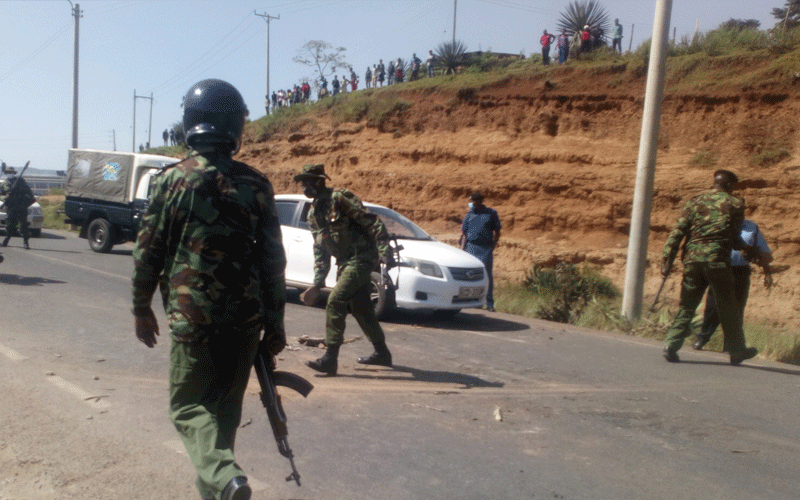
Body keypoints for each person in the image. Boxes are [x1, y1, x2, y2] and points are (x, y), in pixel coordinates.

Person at [132, 79, 287, 500]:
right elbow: (273, 263)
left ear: (190, 123)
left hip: (193, 319)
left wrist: (141, 307)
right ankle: (223, 484)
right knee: (220, 422)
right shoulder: (257, 186)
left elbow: (148, 252)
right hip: (243, 324)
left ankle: (226, 478)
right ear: (235, 125)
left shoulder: (171, 181)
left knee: (186, 408)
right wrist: (275, 326)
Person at [294, 163, 394, 376]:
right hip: (345, 263)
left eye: (308, 181)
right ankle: (382, 353)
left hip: (361, 258)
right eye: (302, 182)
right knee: (361, 309)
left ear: (320, 181)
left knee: (335, 301)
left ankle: (330, 359)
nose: (304, 186)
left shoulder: (340, 197)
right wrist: (317, 283)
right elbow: (320, 250)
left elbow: (372, 222)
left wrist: (385, 249)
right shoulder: (313, 214)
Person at [661, 169, 760, 365]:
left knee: (687, 305)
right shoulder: (735, 204)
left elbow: (677, 232)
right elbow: (732, 237)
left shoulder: (695, 201)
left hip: (692, 261)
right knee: (728, 307)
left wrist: (667, 260)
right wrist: (747, 249)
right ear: (730, 186)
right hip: (717, 261)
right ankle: (737, 351)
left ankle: (671, 345)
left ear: (715, 183)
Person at [692, 220, 773, 350]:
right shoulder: (720, 223)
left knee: (737, 308)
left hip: (741, 272)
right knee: (713, 306)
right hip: (720, 269)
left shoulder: (752, 228)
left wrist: (767, 273)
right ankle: (702, 338)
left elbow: (764, 252)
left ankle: (730, 346)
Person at [460, 193, 501, 312]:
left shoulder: (491, 213)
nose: (471, 203)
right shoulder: (470, 214)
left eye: (473, 201)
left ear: (479, 201)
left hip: (485, 248)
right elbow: (464, 234)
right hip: (470, 247)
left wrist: (492, 247)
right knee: (468, 275)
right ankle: (469, 301)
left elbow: (497, 232)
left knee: (487, 276)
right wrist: (463, 250)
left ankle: (489, 303)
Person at [1, 170, 36, 249]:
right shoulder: (4, 183)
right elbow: (1, 194)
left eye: (11, 172)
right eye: (8, 173)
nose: (10, 174)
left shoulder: (21, 181)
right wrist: (5, 197)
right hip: (11, 206)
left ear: (14, 173)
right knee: (9, 225)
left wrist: (29, 200)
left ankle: (25, 242)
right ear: (6, 174)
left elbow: (28, 191)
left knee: (23, 225)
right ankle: (6, 239)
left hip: (21, 206)